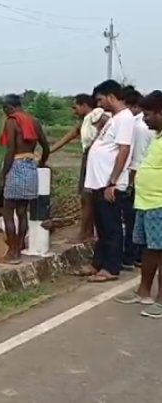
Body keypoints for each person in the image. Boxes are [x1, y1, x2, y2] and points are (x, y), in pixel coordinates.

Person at [77, 80, 135, 282]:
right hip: (98, 182)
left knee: (111, 227)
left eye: (101, 100)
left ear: (111, 96)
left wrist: (113, 182)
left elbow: (124, 150)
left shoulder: (125, 119)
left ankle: (111, 267)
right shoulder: (114, 118)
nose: (99, 104)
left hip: (108, 183)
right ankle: (98, 263)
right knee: (101, 227)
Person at [114, 90, 162, 317]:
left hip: (159, 204)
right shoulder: (158, 138)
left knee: (160, 251)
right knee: (149, 250)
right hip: (146, 203)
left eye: (148, 114)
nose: (144, 118)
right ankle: (143, 291)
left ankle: (161, 300)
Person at [0, 94, 50, 265]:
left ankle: (12, 254)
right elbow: (46, 146)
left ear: (9, 108)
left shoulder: (12, 121)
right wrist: (41, 162)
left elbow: (11, 149)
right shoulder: (34, 121)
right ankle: (19, 248)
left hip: (17, 165)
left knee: (8, 212)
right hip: (31, 167)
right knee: (22, 211)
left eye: (4, 109)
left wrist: (3, 174)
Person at [51, 94, 110, 243]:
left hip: (93, 157)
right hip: (89, 157)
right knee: (87, 197)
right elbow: (68, 137)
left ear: (84, 105)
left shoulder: (97, 116)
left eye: (75, 107)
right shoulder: (85, 121)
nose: (74, 111)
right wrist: (49, 151)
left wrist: (96, 144)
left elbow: (107, 124)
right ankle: (88, 232)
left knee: (87, 196)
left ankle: (85, 234)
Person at [119, 86, 154, 269]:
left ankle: (132, 256)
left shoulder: (139, 127)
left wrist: (130, 184)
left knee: (133, 220)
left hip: (139, 181)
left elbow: (137, 160)